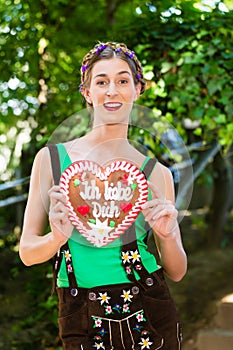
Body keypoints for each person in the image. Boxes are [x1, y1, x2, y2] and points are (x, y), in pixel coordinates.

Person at [19, 41, 187, 350]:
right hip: (79, 312)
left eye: (123, 80)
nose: (112, 90)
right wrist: (56, 239)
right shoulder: (51, 160)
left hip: (150, 307)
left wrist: (167, 236)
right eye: (101, 81)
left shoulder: (157, 173)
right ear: (86, 92)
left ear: (138, 89)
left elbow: (176, 271)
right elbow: (28, 253)